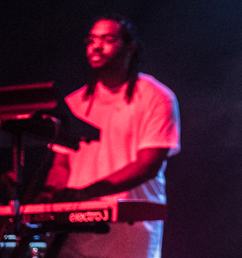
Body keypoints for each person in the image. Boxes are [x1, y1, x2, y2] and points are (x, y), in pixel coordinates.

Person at [38, 15, 180, 258]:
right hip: (75, 229)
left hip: (130, 232)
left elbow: (148, 165)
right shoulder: (73, 103)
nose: (96, 46)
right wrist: (49, 193)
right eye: (92, 40)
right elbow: (61, 164)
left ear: (130, 47)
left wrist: (87, 193)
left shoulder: (157, 97)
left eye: (108, 39)